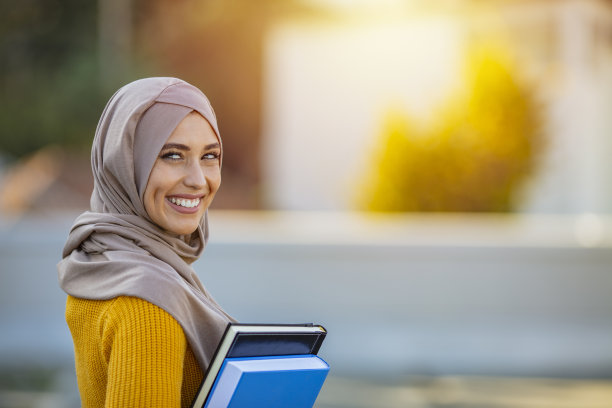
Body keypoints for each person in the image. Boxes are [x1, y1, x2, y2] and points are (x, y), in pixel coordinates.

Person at [58, 77, 235, 407]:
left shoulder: (99, 261)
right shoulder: (150, 301)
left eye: (210, 156)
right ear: (124, 163)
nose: (198, 180)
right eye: (171, 155)